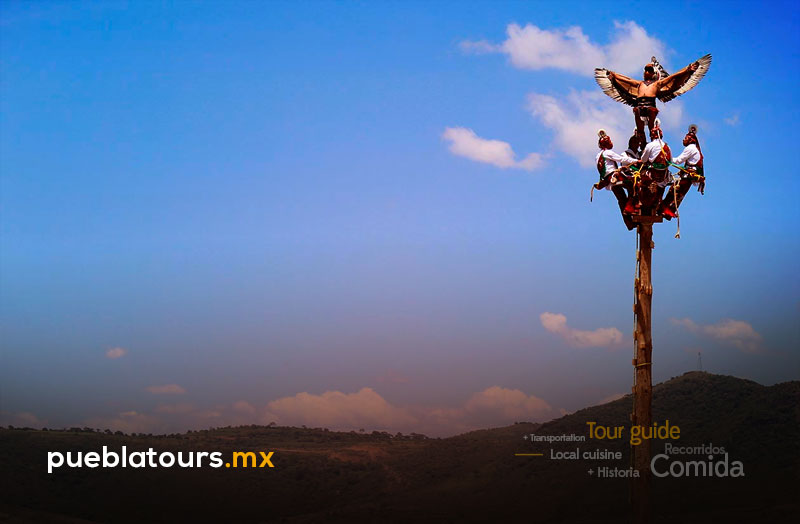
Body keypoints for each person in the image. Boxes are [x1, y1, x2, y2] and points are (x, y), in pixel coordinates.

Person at [594, 55, 711, 144]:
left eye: (649, 70)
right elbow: (626, 80)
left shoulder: (657, 84)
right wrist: (613, 75)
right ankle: (643, 145)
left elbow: (672, 78)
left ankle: (655, 144)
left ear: (653, 73)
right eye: (645, 70)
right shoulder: (639, 84)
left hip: (650, 107)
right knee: (639, 128)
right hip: (639, 106)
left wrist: (687, 70)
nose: (646, 72)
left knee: (652, 129)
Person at [594, 130, 637, 230]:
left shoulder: (598, 156)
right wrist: (636, 161)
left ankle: (629, 223)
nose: (611, 142)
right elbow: (622, 159)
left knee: (621, 200)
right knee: (632, 184)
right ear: (606, 143)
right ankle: (631, 207)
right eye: (610, 141)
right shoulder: (607, 152)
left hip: (608, 182)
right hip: (614, 177)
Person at [660, 125, 705, 219]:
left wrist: (666, 158)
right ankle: (668, 210)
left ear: (691, 139)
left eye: (685, 138)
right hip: (689, 175)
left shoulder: (690, 148)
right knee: (679, 194)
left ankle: (665, 209)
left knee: (674, 191)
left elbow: (678, 161)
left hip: (688, 175)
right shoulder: (695, 148)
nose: (683, 140)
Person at [633, 122, 672, 215]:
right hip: (664, 176)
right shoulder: (668, 146)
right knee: (664, 183)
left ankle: (636, 201)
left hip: (652, 174)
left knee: (636, 179)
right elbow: (670, 160)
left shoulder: (650, 145)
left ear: (651, 136)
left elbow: (643, 159)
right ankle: (659, 200)